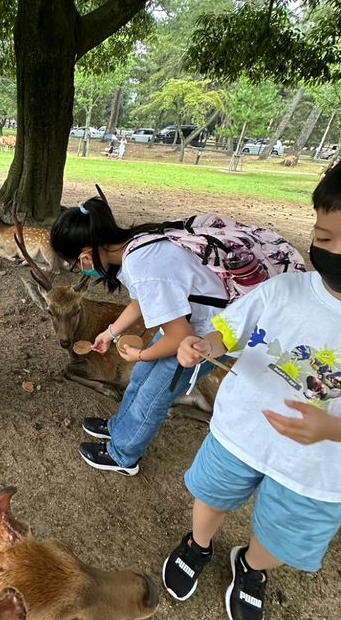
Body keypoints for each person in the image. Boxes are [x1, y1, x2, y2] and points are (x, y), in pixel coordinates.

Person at [161, 164, 341, 620]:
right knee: (212, 494)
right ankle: (197, 544)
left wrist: (332, 429)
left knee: (285, 534)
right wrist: (206, 345)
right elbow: (229, 331)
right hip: (242, 432)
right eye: (323, 238)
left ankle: (253, 566)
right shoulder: (284, 291)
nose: (335, 251)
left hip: (318, 470)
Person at [50, 197, 229, 476]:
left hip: (212, 332)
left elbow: (178, 338)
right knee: (141, 376)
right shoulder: (134, 246)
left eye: (76, 263)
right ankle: (120, 427)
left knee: (154, 394)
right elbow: (140, 302)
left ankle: (123, 456)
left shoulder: (142, 267)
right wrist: (110, 333)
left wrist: (141, 354)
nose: (81, 269)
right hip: (190, 317)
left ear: (86, 253)